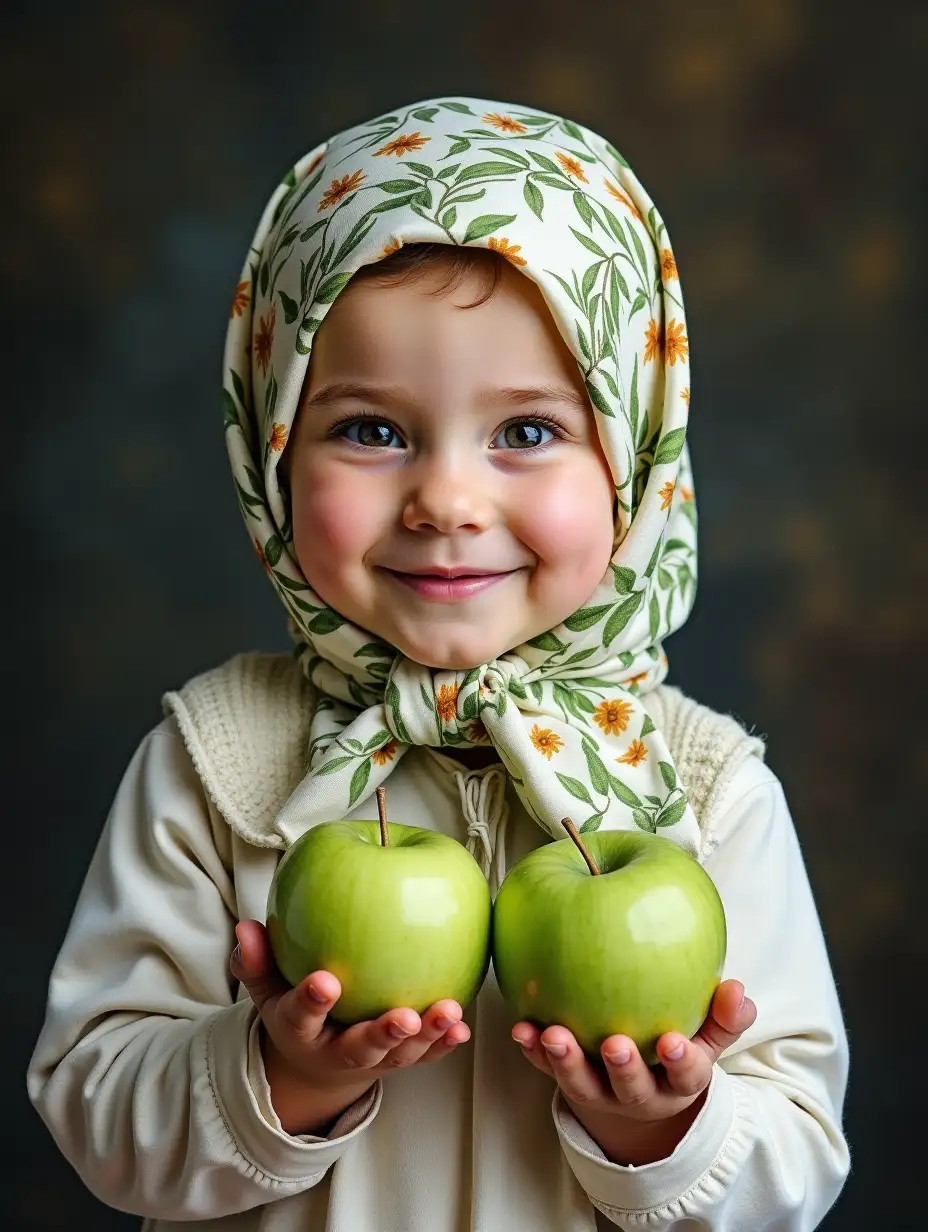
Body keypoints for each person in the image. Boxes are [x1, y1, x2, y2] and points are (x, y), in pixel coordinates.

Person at [27, 97, 850, 1230]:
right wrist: (286, 1075)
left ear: (636, 456)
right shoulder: (215, 760)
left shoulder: (701, 788)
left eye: (526, 431)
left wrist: (663, 1126)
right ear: (271, 446)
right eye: (372, 428)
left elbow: (797, 1164)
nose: (447, 502)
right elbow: (96, 1113)